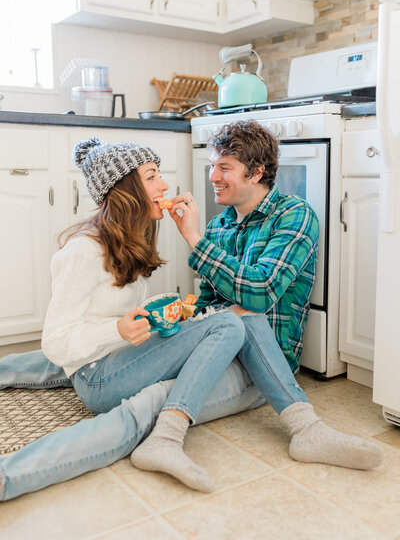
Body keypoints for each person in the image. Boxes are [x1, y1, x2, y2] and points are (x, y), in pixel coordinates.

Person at [0, 123, 382, 502]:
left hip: (263, 363)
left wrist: (195, 244)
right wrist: (178, 318)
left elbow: (259, 294)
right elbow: (207, 303)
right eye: (212, 165)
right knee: (108, 353)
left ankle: (16, 475)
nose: (211, 176)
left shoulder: (293, 216)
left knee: (158, 392)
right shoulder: (217, 226)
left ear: (257, 171)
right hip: (217, 339)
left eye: (224, 168)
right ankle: (303, 429)